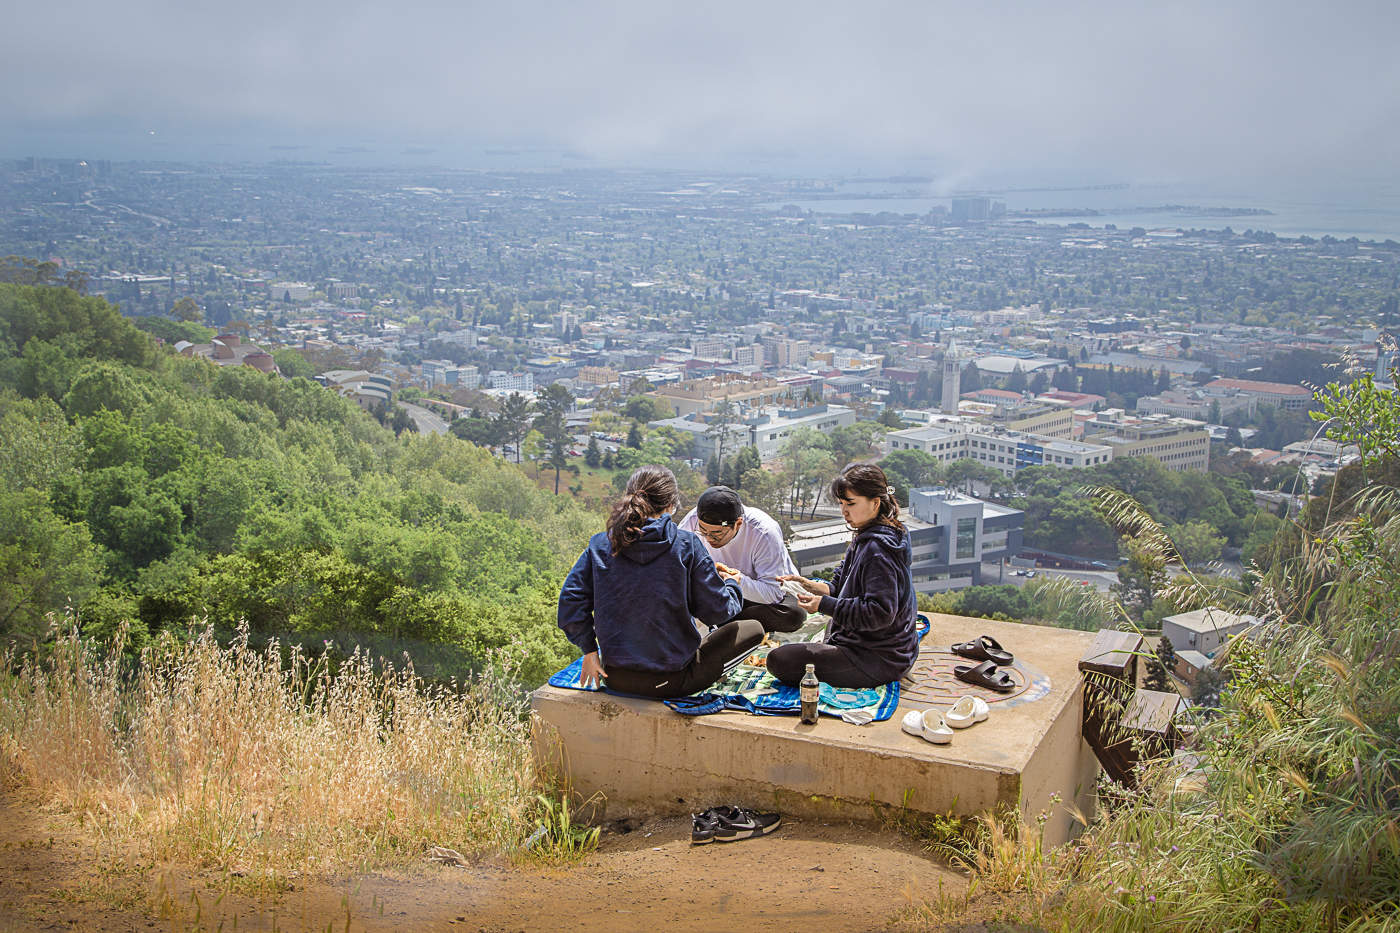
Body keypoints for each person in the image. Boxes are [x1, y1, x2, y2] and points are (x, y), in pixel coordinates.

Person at [557, 465, 765, 698]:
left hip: (615, 678)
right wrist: (732, 585)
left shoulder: (600, 545)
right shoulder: (686, 545)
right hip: (673, 681)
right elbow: (718, 612)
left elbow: (570, 604)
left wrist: (589, 650)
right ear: (671, 505)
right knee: (753, 629)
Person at [769, 462, 919, 689]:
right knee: (822, 633)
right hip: (876, 646)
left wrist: (823, 605)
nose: (844, 511)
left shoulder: (878, 550)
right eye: (841, 503)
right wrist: (807, 585)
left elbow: (879, 613)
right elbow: (839, 588)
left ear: (875, 502)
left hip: (879, 657)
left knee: (779, 660)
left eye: (851, 503)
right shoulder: (868, 534)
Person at [677, 486, 808, 633]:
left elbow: (773, 592)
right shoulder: (692, 520)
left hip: (766, 595)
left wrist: (738, 581)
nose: (708, 538)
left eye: (717, 533)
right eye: (702, 531)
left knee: (793, 615)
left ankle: (724, 623)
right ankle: (726, 622)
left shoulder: (763, 532)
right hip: (720, 592)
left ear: (738, 523)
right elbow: (677, 565)